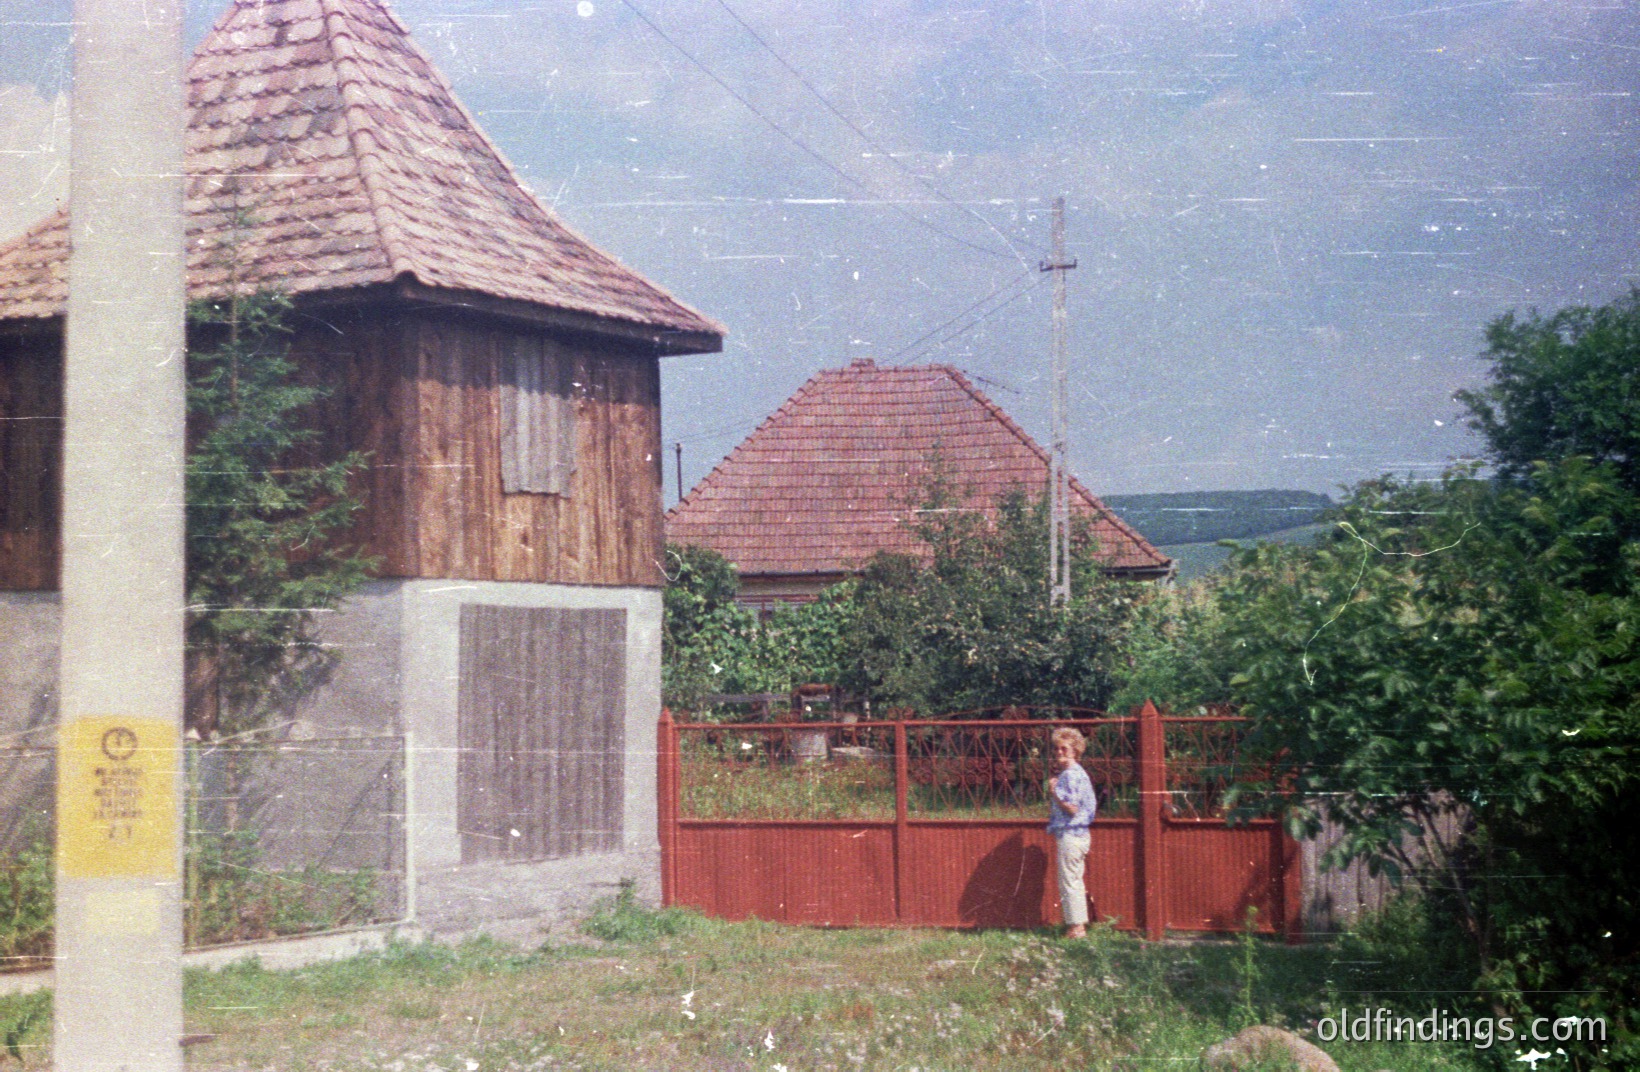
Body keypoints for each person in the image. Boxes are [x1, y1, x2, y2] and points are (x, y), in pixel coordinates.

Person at [1047, 726, 1097, 938]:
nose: (1059, 752)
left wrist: (1054, 792)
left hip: (1071, 834)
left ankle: (1076, 928)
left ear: (1075, 751)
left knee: (1070, 881)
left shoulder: (1070, 775)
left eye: (1064, 749)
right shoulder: (1078, 773)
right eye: (1057, 749)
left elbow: (1072, 808)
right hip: (1079, 834)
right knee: (1074, 879)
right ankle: (1077, 926)